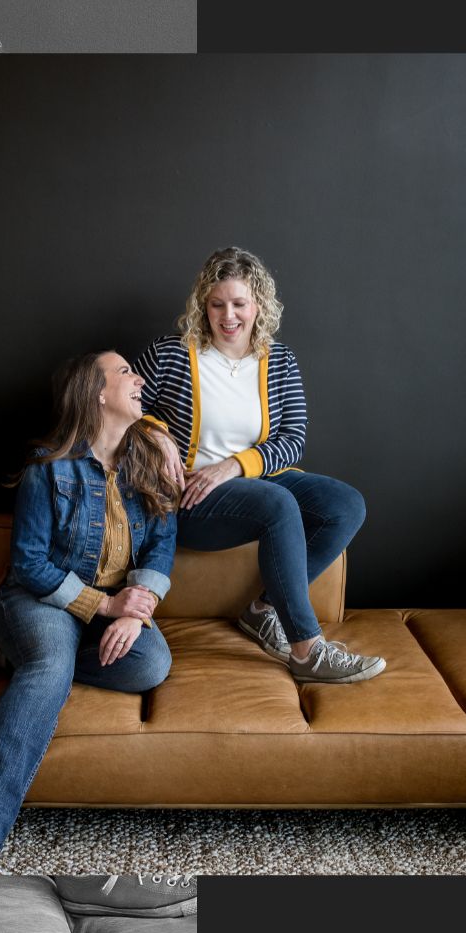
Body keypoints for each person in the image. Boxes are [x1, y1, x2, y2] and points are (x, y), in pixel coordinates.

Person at [0, 353, 177, 877]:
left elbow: (162, 544)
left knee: (149, 665)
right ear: (97, 394)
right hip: (38, 597)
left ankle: (6, 650)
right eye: (125, 373)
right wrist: (103, 604)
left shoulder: (148, 459)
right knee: (50, 668)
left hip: (115, 604)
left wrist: (134, 612)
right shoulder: (47, 465)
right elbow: (29, 563)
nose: (138, 379)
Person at [136, 245, 385, 684]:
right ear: (203, 305)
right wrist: (155, 430)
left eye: (239, 303)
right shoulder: (172, 353)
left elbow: (293, 440)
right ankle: (307, 650)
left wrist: (234, 465)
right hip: (191, 497)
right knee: (276, 503)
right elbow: (124, 405)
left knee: (346, 504)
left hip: (254, 479)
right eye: (217, 304)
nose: (227, 315)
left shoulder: (279, 360)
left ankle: (263, 609)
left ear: (259, 306)